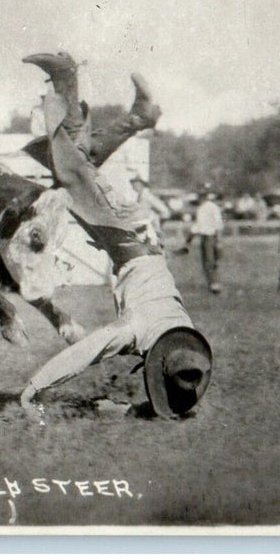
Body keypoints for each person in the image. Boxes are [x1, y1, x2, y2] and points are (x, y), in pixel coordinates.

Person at [18, 91, 212, 419]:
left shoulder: (184, 330)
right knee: (72, 174)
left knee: (76, 174)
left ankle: (99, 114)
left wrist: (125, 410)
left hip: (142, 248)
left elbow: (175, 404)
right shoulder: (133, 329)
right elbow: (82, 354)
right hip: (131, 245)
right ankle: (72, 99)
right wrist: (33, 389)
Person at [179, 185, 224, 294]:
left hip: (210, 237)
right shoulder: (201, 208)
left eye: (202, 196)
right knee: (208, 261)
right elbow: (197, 226)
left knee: (210, 261)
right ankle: (212, 283)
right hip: (205, 237)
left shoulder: (211, 207)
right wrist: (189, 239)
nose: (200, 198)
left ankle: (215, 284)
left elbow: (218, 224)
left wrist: (219, 240)